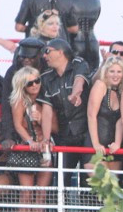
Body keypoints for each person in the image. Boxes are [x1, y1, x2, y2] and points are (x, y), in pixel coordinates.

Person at [7, 67, 54, 212]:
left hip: (45, 150)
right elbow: (18, 125)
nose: (35, 85)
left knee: (41, 194)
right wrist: (30, 141)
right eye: (30, 83)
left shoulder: (46, 100)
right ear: (23, 85)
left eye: (37, 81)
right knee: (26, 193)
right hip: (27, 150)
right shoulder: (19, 100)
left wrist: (41, 120)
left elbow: (55, 127)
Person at [39, 38, 92, 175]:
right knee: (62, 176)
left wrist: (75, 94)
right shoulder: (46, 77)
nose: (44, 56)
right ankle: (63, 197)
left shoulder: (78, 63)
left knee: (88, 177)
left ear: (60, 52)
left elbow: (79, 80)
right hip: (64, 134)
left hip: (86, 131)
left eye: (47, 51)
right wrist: (46, 139)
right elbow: (47, 110)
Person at [86, 57, 123, 173]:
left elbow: (121, 120)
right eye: (112, 71)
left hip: (114, 148)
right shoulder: (100, 85)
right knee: (102, 186)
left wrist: (117, 143)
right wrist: (96, 144)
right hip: (95, 145)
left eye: (119, 72)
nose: (115, 75)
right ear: (106, 73)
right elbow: (91, 115)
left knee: (113, 189)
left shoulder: (121, 91)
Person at [63, 0, 104, 72]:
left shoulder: (68, 1)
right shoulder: (96, 1)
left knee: (75, 77)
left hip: (74, 43)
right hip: (93, 42)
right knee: (93, 75)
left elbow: (65, 24)